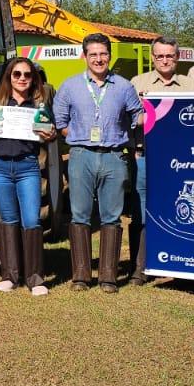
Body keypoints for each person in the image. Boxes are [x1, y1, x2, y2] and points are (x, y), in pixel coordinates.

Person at [52, 33, 141, 293]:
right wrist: (78, 137)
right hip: (81, 155)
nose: (99, 59)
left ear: (109, 56)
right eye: (93, 54)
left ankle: (108, 277)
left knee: (111, 216)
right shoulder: (70, 86)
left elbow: (137, 116)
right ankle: (81, 276)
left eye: (103, 54)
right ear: (84, 56)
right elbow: (60, 122)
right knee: (79, 214)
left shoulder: (124, 86)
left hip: (114, 156)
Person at [0, 56, 57, 295]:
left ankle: (35, 279)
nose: (22, 78)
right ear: (9, 78)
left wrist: (50, 134)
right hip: (0, 167)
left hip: (28, 167)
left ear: (33, 79)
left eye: (27, 75)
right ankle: (10, 276)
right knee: (8, 219)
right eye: (17, 74)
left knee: (32, 220)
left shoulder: (39, 106)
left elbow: (50, 134)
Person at [127, 37, 187, 284]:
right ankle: (140, 268)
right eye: (160, 56)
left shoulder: (190, 86)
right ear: (153, 58)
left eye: (169, 56)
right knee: (140, 213)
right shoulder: (136, 84)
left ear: (177, 57)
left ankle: (176, 264)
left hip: (178, 162)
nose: (164, 60)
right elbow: (125, 119)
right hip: (144, 157)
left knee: (177, 211)